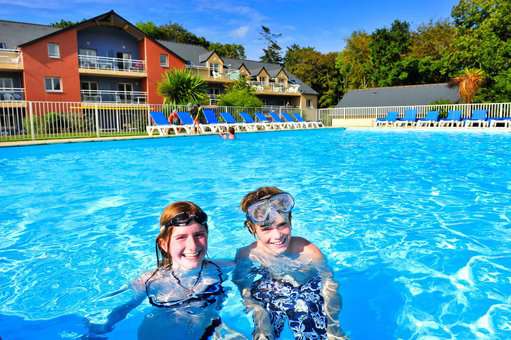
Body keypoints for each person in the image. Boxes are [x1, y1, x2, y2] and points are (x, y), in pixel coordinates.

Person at [87, 201, 230, 340]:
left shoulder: (222, 268)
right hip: (163, 333)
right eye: (181, 237)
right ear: (164, 244)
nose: (192, 246)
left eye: (199, 235)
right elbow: (124, 307)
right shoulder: (150, 281)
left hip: (208, 330)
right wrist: (104, 328)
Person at [233, 187, 345, 340]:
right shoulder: (246, 255)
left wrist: (333, 326)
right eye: (266, 228)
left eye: (282, 225)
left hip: (306, 293)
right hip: (269, 292)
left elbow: (330, 285)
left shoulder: (308, 251)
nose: (277, 235)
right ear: (252, 228)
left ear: (290, 221)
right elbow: (244, 288)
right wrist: (259, 313)